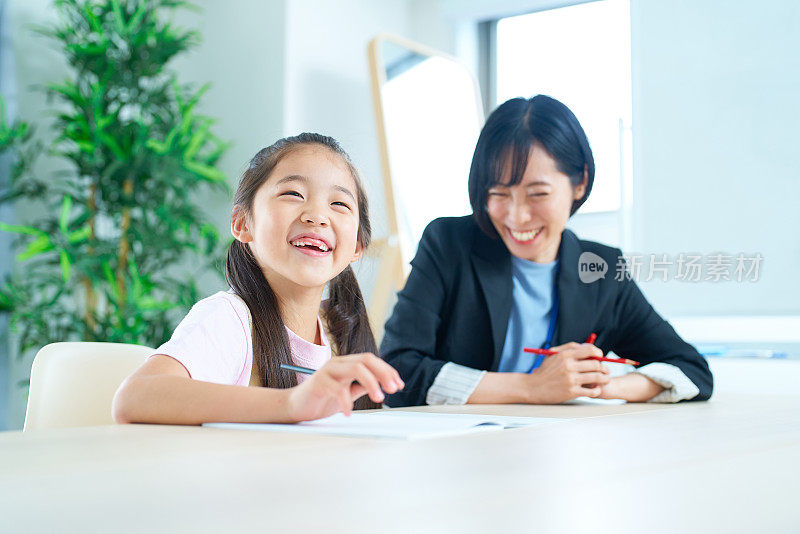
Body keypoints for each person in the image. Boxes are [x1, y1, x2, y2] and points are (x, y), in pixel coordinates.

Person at [380, 95, 712, 407]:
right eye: (498, 193)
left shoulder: (601, 270)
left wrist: (603, 385)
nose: (517, 216)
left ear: (579, 182)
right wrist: (531, 388)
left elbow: (691, 370)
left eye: (537, 194)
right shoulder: (448, 244)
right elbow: (396, 371)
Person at [113, 133, 403, 425]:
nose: (317, 216)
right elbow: (134, 398)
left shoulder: (340, 331)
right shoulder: (230, 319)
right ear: (242, 224)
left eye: (339, 204)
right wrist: (293, 404)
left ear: (357, 247)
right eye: (293, 194)